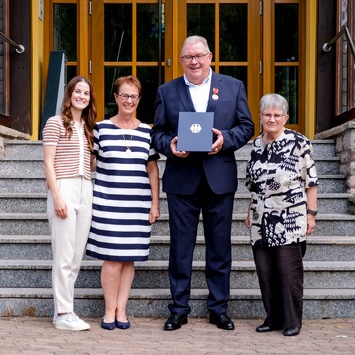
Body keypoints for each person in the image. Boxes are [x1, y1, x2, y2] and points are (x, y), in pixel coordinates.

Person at [151, 35, 255, 331]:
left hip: (218, 179)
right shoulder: (166, 91)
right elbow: (156, 132)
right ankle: (178, 309)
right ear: (181, 60)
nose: (194, 61)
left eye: (199, 56)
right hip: (182, 180)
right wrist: (168, 145)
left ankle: (218, 309)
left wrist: (225, 140)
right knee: (180, 249)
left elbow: (246, 126)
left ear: (210, 56)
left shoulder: (233, 87)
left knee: (220, 249)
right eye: (188, 57)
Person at [86, 75, 160, 330]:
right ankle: (108, 311)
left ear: (139, 100)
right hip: (107, 203)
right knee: (112, 259)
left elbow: (152, 170)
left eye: (134, 96)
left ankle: (121, 310)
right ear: (116, 97)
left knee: (129, 259)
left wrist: (155, 204)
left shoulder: (147, 131)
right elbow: (89, 162)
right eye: (124, 95)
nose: (129, 100)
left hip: (137, 204)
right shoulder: (101, 128)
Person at [245, 93, 319, 337]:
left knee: (288, 273)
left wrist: (311, 214)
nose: (272, 119)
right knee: (265, 272)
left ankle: (292, 320)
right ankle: (273, 318)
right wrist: (249, 212)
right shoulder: (255, 145)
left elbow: (311, 182)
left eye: (277, 115)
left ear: (286, 118)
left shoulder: (299, 142)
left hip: (290, 218)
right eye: (267, 114)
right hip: (259, 218)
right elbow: (253, 184)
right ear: (260, 117)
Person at [42, 76, 97, 331]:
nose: (82, 96)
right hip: (64, 187)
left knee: (75, 256)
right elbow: (48, 163)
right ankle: (64, 312)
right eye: (78, 91)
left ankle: (63, 311)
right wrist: (57, 196)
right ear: (69, 94)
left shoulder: (87, 127)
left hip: (86, 189)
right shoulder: (55, 123)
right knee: (63, 256)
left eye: (86, 93)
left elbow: (90, 164)